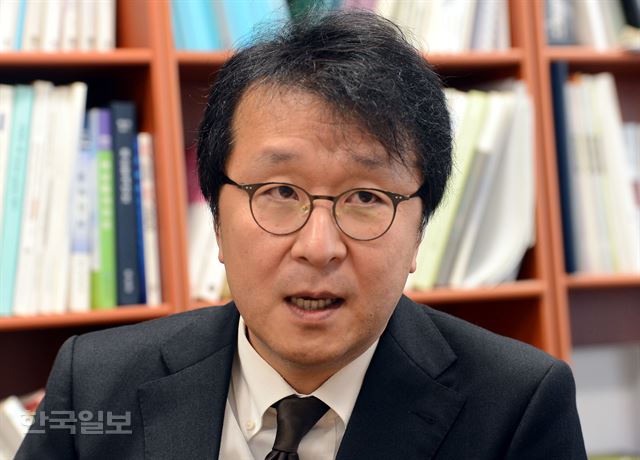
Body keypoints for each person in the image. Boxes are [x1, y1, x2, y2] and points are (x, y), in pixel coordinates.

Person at [17, 10, 587, 460]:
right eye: (280, 192)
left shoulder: (516, 406)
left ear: (419, 233)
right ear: (216, 221)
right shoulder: (95, 384)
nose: (318, 248)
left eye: (366, 198)